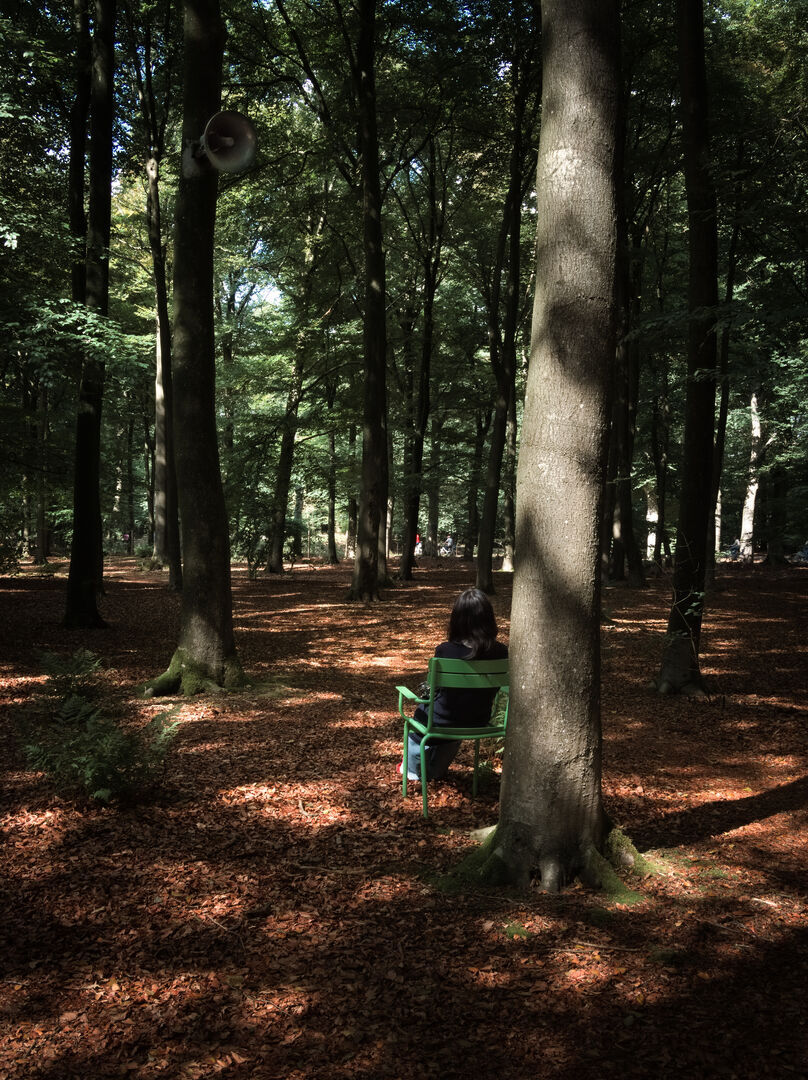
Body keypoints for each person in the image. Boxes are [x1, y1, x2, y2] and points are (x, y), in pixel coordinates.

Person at [399, 587, 508, 782]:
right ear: (488, 619)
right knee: (448, 719)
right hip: (479, 720)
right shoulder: (501, 652)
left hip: (442, 720)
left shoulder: (445, 650)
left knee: (420, 720)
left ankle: (412, 771)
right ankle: (432, 769)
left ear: (457, 619)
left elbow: (436, 690)